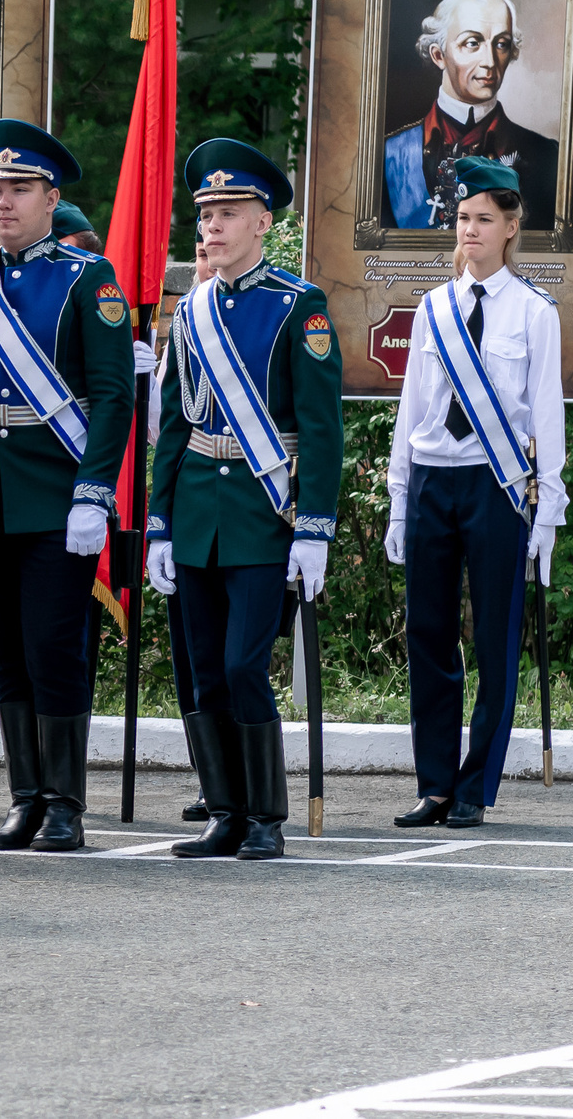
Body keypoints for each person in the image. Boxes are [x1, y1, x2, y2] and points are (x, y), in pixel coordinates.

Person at [145, 140, 343, 860]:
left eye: (228, 214)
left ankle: (265, 814)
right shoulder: (191, 311)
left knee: (239, 666)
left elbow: (322, 429)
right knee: (199, 671)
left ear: (263, 221)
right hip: (199, 510)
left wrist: (315, 527)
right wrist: (159, 524)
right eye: (205, 216)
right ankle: (223, 810)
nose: (213, 229)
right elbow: (173, 424)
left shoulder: (300, 308)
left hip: (266, 514)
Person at [0, 121, 135, 852]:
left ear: (51, 198)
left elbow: (113, 395)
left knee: (52, 647)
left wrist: (95, 491)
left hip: (57, 494)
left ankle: (65, 802)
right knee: (6, 654)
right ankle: (24, 796)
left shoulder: (88, 279)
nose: (3, 202)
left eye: (19, 189)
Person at [385, 157, 565, 829]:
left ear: (511, 227)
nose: (470, 230)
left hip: (497, 485)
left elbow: (546, 410)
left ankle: (473, 786)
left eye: (484, 219)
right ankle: (434, 782)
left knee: (494, 639)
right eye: (462, 219)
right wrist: (400, 495)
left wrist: (549, 506)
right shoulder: (434, 309)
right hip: (433, 478)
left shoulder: (534, 311)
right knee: (429, 635)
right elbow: (414, 404)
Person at [382, 0, 559, 230]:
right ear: (439, 54)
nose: (489, 61)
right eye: (472, 43)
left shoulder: (546, 158)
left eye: (501, 44)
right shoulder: (389, 156)